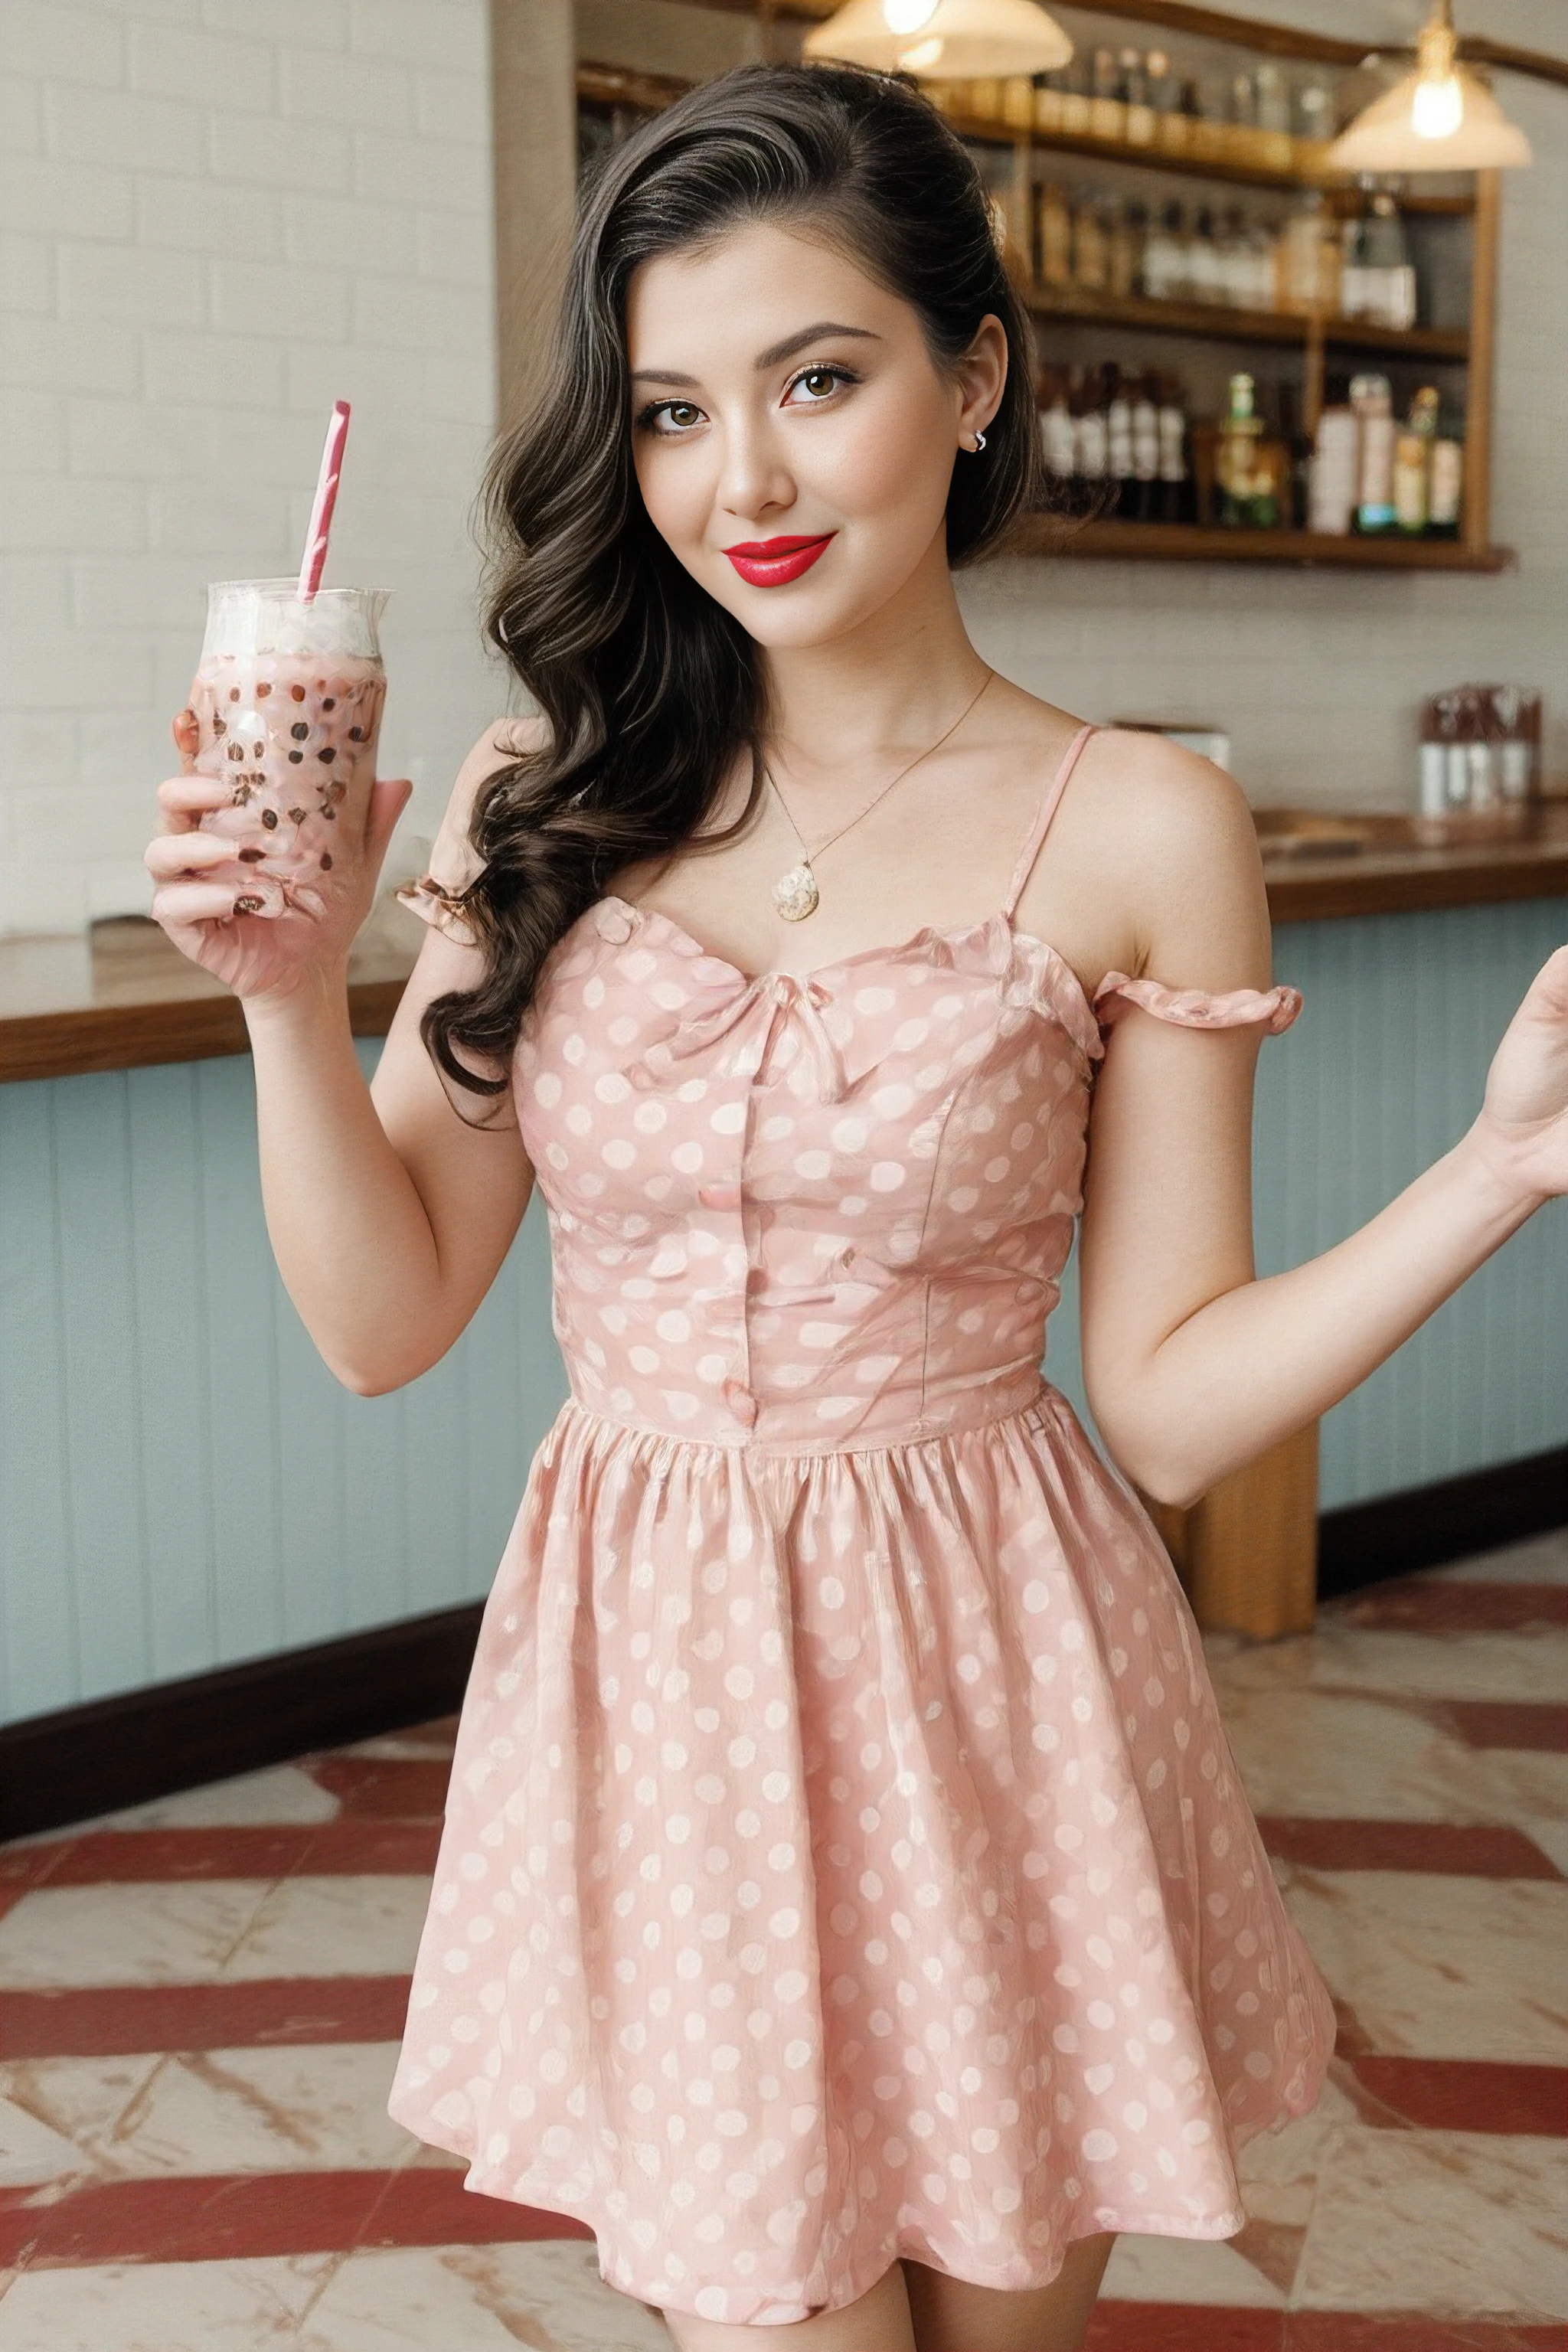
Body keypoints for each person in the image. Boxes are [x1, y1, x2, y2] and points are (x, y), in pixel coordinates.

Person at [144, 60, 1566, 2352]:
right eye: (679, 412)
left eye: (819, 380)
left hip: (1000, 1679)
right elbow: (383, 1316)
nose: (749, 482)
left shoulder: (1141, 827)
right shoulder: (546, 791)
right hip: (659, 1678)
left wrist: (1502, 1162)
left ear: (974, 373)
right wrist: (288, 1000)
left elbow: (1179, 1414)